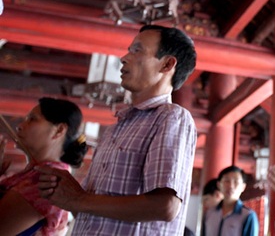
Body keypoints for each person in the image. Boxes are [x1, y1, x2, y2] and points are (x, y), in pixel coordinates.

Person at [36, 25, 198, 235]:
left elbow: (165, 206)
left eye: (137, 50)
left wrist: (78, 198)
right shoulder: (115, 129)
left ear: (167, 64)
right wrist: (66, 191)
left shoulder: (171, 117)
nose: (124, 58)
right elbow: (89, 208)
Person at [0, 97, 88, 235]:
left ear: (59, 130)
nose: (20, 126)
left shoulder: (46, 180)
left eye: (32, 119)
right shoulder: (41, 173)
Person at [203, 165, 258, 236]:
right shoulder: (209, 214)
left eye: (236, 182)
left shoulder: (248, 216)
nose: (231, 186)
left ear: (243, 187)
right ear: (219, 185)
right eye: (227, 181)